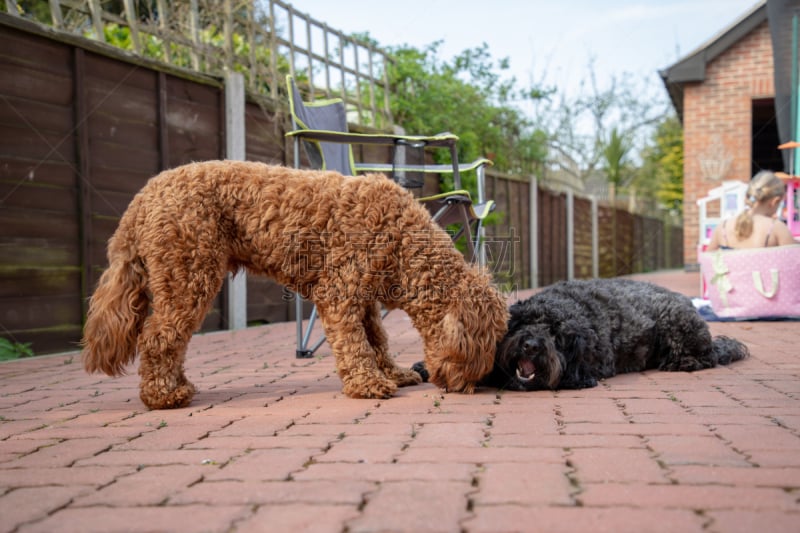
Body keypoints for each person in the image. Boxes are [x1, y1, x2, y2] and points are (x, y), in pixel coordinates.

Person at [707, 170, 796, 251]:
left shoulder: (722, 227)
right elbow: (794, 262)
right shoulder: (776, 228)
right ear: (774, 201)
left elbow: (707, 262)